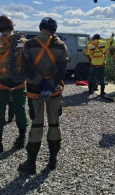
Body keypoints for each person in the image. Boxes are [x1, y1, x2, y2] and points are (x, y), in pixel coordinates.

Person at [18, 17, 68, 174]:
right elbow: (62, 71)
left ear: (40, 27)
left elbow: (27, 69)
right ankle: (52, 160)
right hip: (54, 91)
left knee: (37, 124)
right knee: (54, 124)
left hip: (35, 90)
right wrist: (50, 84)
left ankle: (31, 163)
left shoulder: (30, 44)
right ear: (54, 29)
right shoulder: (60, 46)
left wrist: (40, 82)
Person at [0, 15, 28, 153]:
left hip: (1, 81)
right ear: (12, 27)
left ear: (1, 27)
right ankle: (22, 138)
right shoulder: (22, 41)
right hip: (18, 81)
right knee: (20, 108)